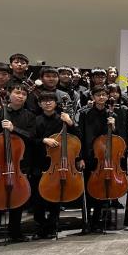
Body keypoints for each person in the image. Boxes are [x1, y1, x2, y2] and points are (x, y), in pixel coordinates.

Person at [0, 82, 36, 245]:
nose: (20, 96)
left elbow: (32, 137)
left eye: (24, 94)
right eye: (17, 93)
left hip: (20, 163)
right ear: (9, 94)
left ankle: (15, 232)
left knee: (18, 197)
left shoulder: (29, 116)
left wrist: (14, 129)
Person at [79, 85, 128, 232]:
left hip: (105, 158)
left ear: (108, 97)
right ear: (92, 97)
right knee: (88, 189)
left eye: (104, 95)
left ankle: (97, 221)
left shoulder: (112, 115)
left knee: (102, 189)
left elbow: (118, 138)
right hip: (89, 156)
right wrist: (80, 157)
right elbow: (80, 135)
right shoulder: (85, 113)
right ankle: (86, 222)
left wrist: (113, 127)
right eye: (98, 95)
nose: (101, 97)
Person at [31, 91, 79, 239]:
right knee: (38, 198)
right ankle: (40, 227)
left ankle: (52, 226)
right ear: (40, 104)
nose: (47, 103)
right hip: (40, 163)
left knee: (56, 196)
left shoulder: (62, 119)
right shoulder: (35, 120)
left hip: (59, 163)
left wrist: (70, 123)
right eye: (44, 101)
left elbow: (77, 137)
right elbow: (30, 139)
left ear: (55, 103)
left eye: (50, 100)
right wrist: (43, 140)